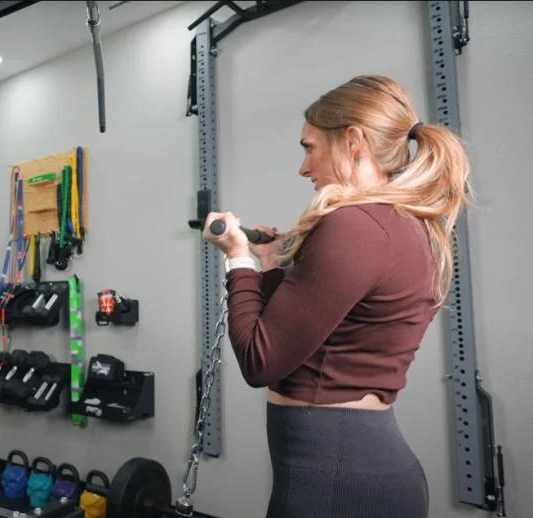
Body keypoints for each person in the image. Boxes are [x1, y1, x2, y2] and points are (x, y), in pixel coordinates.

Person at [202, 75, 472, 518]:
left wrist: (237, 257)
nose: (303, 168)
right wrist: (268, 261)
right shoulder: (402, 224)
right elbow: (296, 334)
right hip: (349, 470)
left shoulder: (354, 227)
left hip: (334, 478)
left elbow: (260, 360)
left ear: (352, 140)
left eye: (308, 147)